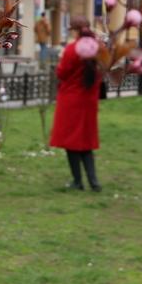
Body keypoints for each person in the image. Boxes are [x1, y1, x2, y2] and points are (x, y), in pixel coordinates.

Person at [50, 22, 103, 192]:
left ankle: (77, 181)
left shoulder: (72, 49)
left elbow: (62, 73)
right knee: (86, 142)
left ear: (75, 31)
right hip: (89, 101)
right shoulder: (98, 49)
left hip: (71, 100)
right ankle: (94, 181)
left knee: (71, 142)